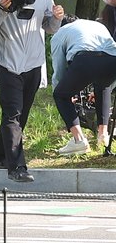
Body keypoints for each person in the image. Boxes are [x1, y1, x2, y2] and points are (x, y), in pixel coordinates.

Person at [0, 0, 64, 183]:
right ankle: (16, 167)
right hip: (8, 62)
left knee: (21, 115)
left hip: (34, 64)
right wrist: (1, 9)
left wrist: (56, 18)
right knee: (12, 115)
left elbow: (49, 27)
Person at [50, 12, 116, 154]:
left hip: (86, 59)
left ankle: (79, 141)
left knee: (60, 95)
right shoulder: (96, 25)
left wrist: (66, 92)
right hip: (113, 59)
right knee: (103, 86)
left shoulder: (59, 33)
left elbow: (59, 71)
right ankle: (103, 136)